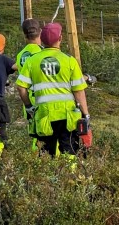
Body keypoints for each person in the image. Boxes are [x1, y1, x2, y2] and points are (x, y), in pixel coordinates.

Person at [16, 22, 90, 165]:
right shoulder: (69, 60)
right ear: (60, 38)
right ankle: (69, 179)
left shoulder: (32, 61)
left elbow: (21, 87)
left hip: (44, 115)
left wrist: (29, 106)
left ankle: (47, 182)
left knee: (46, 152)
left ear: (42, 39)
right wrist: (85, 114)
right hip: (67, 115)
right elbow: (79, 91)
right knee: (69, 151)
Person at [16, 18, 43, 151]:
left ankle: (35, 163)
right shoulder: (41, 53)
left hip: (27, 99)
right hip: (41, 98)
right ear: (40, 32)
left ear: (24, 34)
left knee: (34, 134)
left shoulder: (20, 55)